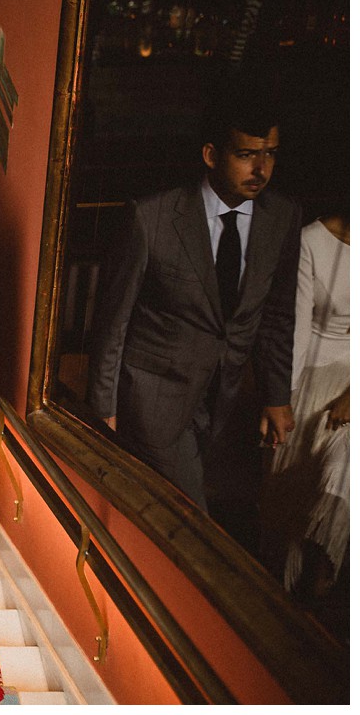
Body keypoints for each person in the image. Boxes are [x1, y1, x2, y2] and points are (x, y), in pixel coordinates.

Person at [87, 91, 300, 512]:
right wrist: (103, 413)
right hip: (151, 396)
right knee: (189, 520)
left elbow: (276, 316)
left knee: (154, 513)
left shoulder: (282, 217)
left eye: (270, 155)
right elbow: (112, 325)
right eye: (246, 155)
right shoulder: (152, 218)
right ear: (210, 154)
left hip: (223, 401)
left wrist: (276, 396)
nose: (261, 169)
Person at [263, 211, 349, 597]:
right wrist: (279, 399)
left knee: (341, 477)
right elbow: (293, 327)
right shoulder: (312, 240)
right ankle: (285, 602)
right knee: (291, 505)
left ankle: (320, 586)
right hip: (310, 378)